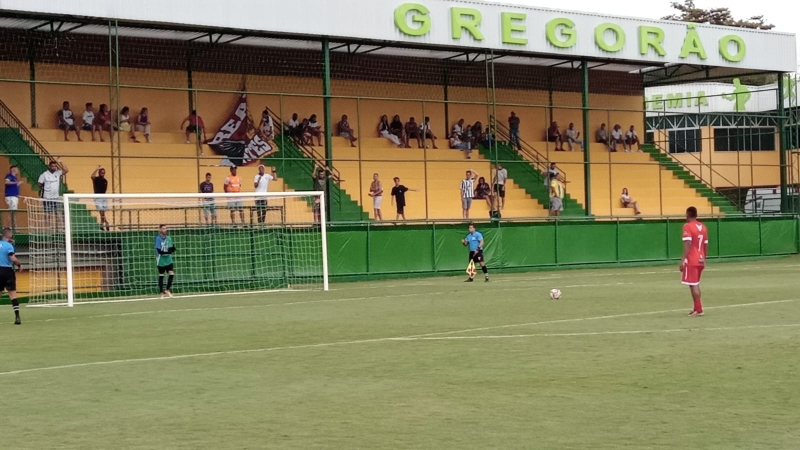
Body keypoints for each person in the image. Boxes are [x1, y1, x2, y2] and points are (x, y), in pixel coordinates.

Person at [681, 206, 708, 317]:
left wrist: (683, 259)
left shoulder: (687, 226)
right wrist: (704, 258)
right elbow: (706, 244)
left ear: (688, 214)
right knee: (696, 283)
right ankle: (696, 307)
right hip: (700, 258)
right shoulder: (702, 226)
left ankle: (699, 309)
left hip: (692, 259)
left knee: (693, 285)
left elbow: (688, 244)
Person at [0, 228, 22, 325]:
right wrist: (19, 265)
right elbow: (12, 257)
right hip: (7, 270)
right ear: (9, 236)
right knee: (12, 294)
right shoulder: (9, 246)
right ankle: (17, 317)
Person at [38, 159, 68, 227]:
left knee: (59, 212)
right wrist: (46, 188)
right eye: (52, 166)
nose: (54, 167)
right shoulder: (44, 174)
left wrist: (60, 162)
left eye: (55, 166)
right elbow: (39, 184)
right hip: (47, 197)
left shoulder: (58, 173)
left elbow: (66, 170)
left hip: (56, 197)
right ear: (49, 166)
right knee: (48, 213)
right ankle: (48, 228)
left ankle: (60, 228)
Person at [155, 224, 176, 298]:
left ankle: (167, 289)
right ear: (160, 230)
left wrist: (169, 251)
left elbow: (172, 249)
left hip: (168, 259)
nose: (165, 230)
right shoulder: (158, 238)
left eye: (166, 228)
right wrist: (167, 251)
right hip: (161, 260)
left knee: (171, 273)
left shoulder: (169, 238)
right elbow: (159, 250)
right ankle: (161, 292)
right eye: (163, 228)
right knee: (161, 275)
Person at [91, 166, 110, 231]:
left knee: (103, 212)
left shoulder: (105, 181)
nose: (103, 174)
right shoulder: (96, 179)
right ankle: (106, 223)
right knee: (101, 212)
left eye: (104, 173)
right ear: (99, 173)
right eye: (101, 173)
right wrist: (96, 169)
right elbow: (92, 176)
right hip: (98, 197)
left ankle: (102, 224)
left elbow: (105, 189)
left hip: (103, 197)